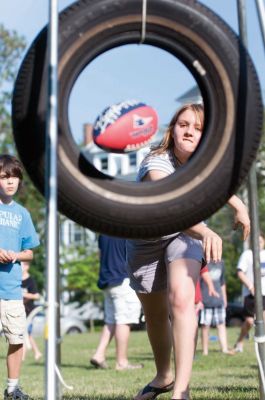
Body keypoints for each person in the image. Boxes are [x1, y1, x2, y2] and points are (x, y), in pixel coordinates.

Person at [126, 103, 250, 400]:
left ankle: (181, 390)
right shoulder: (156, 162)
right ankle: (164, 376)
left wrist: (240, 206)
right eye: (184, 124)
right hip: (146, 240)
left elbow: (221, 186)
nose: (189, 131)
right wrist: (206, 230)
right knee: (155, 316)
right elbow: (169, 206)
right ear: (173, 128)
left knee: (182, 300)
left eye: (197, 128)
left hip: (185, 237)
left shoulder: (204, 167)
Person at [0, 154, 40, 400]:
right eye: (5, 177)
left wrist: (15, 255)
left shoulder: (23, 214)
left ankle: (12, 389)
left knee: (17, 340)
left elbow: (30, 254)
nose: (11, 182)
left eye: (15, 177)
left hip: (13, 292)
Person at [90, 234, 143, 371]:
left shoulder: (103, 233)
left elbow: (100, 256)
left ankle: (99, 354)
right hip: (123, 279)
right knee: (124, 321)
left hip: (107, 281)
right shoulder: (125, 230)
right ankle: (122, 362)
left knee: (111, 320)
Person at [234, 233, 265, 353]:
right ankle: (240, 340)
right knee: (250, 321)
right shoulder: (247, 254)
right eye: (256, 241)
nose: (258, 243)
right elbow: (240, 272)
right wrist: (251, 286)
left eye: (261, 241)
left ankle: (261, 347)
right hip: (251, 294)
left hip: (264, 293)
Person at [199, 260, 234, 355]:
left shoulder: (221, 263)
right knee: (205, 326)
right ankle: (205, 351)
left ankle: (224, 349)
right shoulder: (203, 262)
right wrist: (199, 300)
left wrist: (225, 298)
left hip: (219, 300)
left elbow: (222, 282)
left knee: (221, 324)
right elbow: (198, 282)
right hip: (206, 300)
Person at [21, 261, 42, 361]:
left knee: (24, 333)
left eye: (24, 264)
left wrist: (25, 295)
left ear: (28, 266)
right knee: (25, 334)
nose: (22, 267)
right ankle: (37, 352)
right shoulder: (17, 279)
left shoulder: (30, 280)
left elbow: (37, 296)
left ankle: (23, 356)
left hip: (29, 311)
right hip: (19, 310)